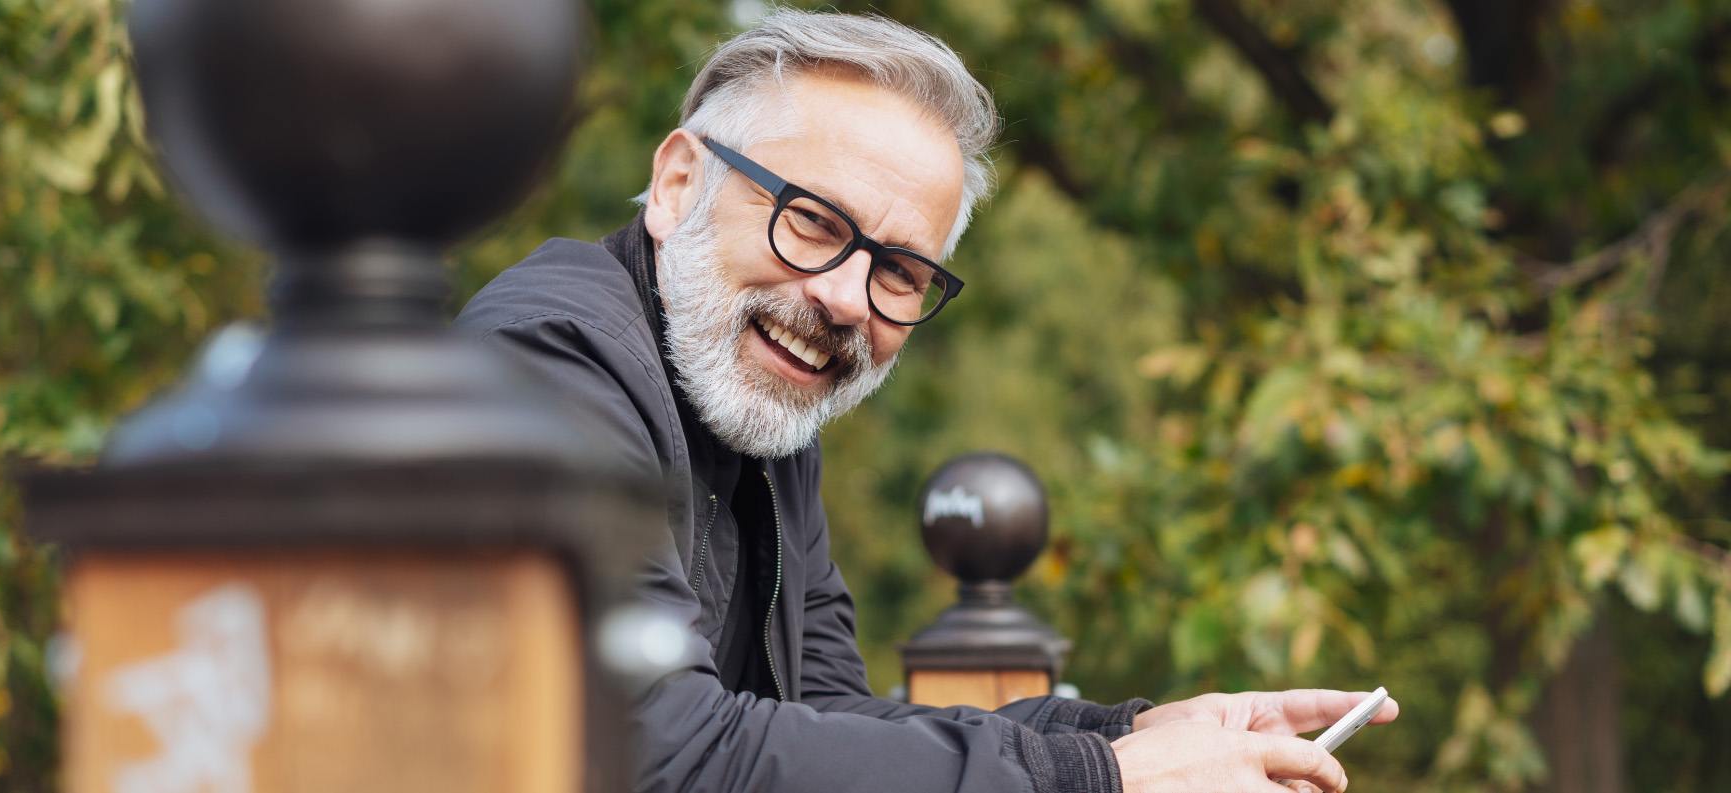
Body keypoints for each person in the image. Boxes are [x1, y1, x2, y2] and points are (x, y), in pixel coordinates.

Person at [453, 9, 1397, 793]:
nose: (843, 299)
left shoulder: (757, 401)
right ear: (678, 183)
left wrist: (1141, 731)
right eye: (813, 222)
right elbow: (656, 749)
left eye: (899, 271)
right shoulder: (553, 364)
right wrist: (1099, 777)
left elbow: (822, 722)